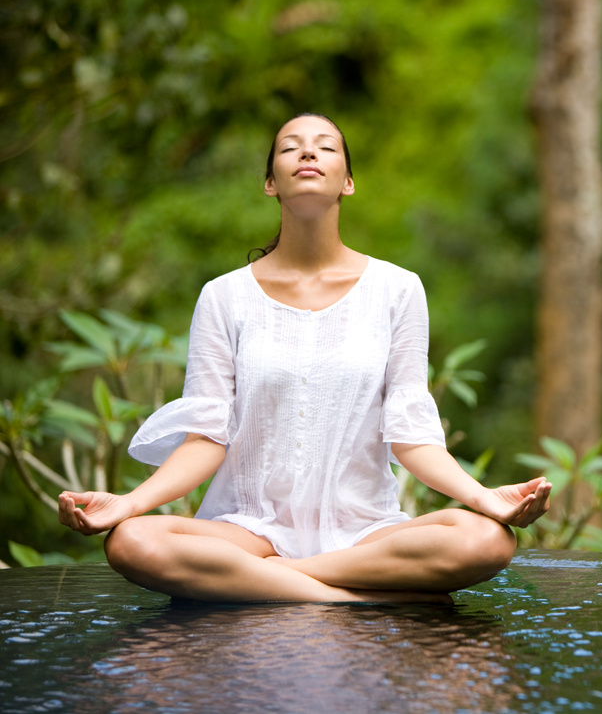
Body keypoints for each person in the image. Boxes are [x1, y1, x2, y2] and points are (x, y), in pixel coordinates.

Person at [58, 113, 551, 603]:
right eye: (291, 146)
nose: (308, 153)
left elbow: (411, 436)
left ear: (348, 182)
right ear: (271, 182)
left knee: (486, 539)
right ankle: (349, 600)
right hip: (248, 531)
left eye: (325, 147)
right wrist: (128, 503)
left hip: (363, 532)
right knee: (130, 540)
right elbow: (205, 437)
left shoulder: (398, 290)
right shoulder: (223, 296)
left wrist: (485, 498)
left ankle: (281, 580)